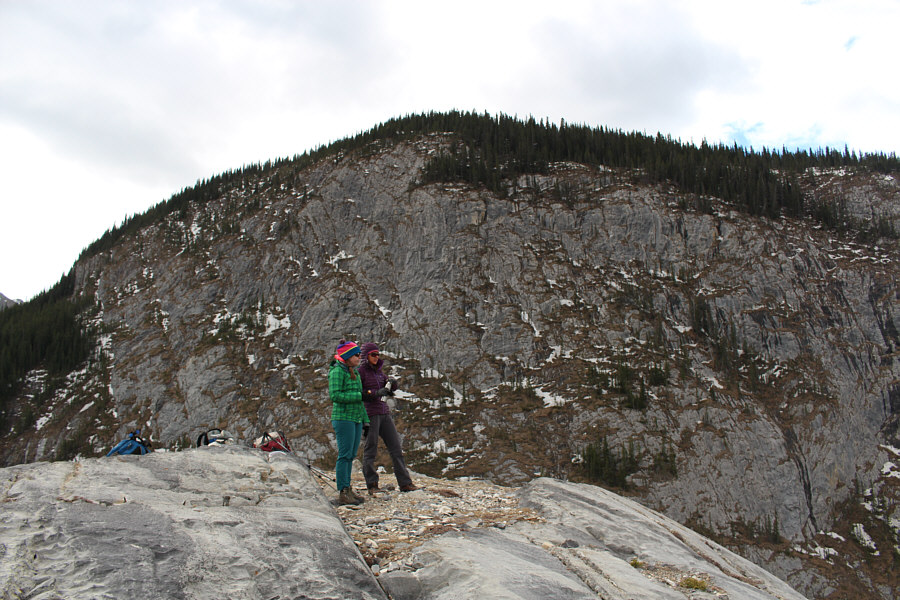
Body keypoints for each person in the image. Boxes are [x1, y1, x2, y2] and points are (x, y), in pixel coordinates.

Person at [359, 342, 418, 494]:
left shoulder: (379, 372)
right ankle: (372, 485)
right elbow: (359, 394)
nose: (376, 357)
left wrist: (393, 384)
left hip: (384, 413)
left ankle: (405, 483)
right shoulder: (361, 372)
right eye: (373, 354)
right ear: (366, 356)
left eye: (378, 354)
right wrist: (376, 393)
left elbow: (388, 386)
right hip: (370, 414)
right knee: (370, 449)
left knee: (396, 448)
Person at [329, 339, 369, 505]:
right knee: (344, 455)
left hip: (356, 418)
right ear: (347, 356)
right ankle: (343, 491)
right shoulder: (337, 371)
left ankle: (348, 488)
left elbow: (360, 400)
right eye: (356, 355)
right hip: (343, 418)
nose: (359, 357)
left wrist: (365, 421)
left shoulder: (355, 372)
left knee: (351, 455)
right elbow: (335, 395)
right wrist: (359, 396)